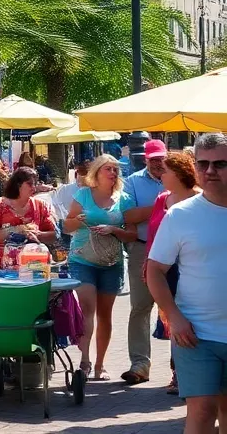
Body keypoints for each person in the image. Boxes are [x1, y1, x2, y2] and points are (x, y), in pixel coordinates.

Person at [147, 132, 227, 434]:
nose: (210, 171)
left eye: (220, 164)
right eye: (203, 164)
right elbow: (154, 271)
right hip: (196, 333)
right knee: (203, 409)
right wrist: (174, 318)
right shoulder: (180, 215)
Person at [63, 154, 133, 382]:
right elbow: (67, 226)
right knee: (86, 308)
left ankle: (100, 364)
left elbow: (132, 234)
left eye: (115, 169)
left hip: (111, 261)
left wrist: (114, 230)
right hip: (82, 259)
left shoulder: (124, 199)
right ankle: (84, 360)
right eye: (108, 169)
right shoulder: (83, 194)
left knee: (105, 315)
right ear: (97, 172)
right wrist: (79, 220)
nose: (113, 173)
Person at [144, 150, 200, 395]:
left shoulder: (201, 199)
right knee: (171, 317)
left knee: (191, 317)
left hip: (190, 268)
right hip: (165, 267)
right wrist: (148, 261)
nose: (160, 175)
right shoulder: (162, 199)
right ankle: (177, 373)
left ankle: (190, 373)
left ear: (178, 173)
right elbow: (155, 234)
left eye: (165, 171)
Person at [119, 138, 168, 385]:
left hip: (176, 253)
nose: (160, 164)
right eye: (155, 159)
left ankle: (179, 370)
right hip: (142, 250)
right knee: (140, 307)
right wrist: (163, 204)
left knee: (177, 308)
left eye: (163, 158)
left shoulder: (178, 176)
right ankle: (140, 365)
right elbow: (128, 215)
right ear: (145, 159)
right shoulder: (132, 182)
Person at [0, 166, 57, 275]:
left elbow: (54, 236)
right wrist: (13, 231)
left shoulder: (40, 206)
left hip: (33, 266)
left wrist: (37, 235)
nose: (34, 188)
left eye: (35, 184)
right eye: (30, 184)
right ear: (18, 185)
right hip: (1, 269)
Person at [51, 154, 91, 251]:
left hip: (88, 234)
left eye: (86, 172)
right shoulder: (65, 189)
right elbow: (55, 207)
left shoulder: (96, 191)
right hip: (68, 234)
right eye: (81, 172)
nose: (83, 175)